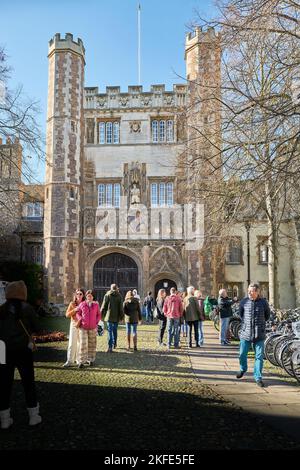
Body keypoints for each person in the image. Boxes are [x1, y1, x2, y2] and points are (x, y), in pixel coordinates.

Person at [0, 280, 42, 429]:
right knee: (28, 382)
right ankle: (33, 416)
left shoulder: (2, 309)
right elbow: (37, 327)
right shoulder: (27, 308)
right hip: (23, 350)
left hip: (3, 350)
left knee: (4, 384)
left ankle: (4, 419)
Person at [236, 283, 270, 387]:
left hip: (259, 334)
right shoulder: (244, 302)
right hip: (246, 333)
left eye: (252, 291)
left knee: (259, 356)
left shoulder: (264, 302)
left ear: (257, 292)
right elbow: (241, 315)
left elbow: (267, 316)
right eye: (249, 291)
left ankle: (258, 377)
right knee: (242, 354)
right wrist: (246, 325)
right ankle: (243, 368)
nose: (249, 293)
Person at [75, 290, 101, 368]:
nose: (89, 297)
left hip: (93, 328)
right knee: (83, 344)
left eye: (91, 296)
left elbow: (99, 315)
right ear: (86, 296)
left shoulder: (96, 305)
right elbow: (77, 313)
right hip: (83, 328)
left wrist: (96, 322)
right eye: (88, 296)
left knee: (92, 344)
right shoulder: (82, 304)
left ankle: (91, 359)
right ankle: (81, 361)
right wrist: (80, 319)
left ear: (93, 297)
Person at [63, 289, 85, 367]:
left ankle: (79, 360)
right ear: (75, 295)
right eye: (77, 294)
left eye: (81, 294)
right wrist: (75, 310)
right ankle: (69, 360)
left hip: (82, 325)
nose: (79, 296)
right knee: (72, 342)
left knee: (80, 343)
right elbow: (67, 315)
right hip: (73, 324)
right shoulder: (72, 304)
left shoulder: (84, 304)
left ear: (83, 295)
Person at [101, 284, 124, 353]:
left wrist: (101, 315)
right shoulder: (119, 296)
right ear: (117, 288)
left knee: (109, 332)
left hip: (109, 316)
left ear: (111, 288)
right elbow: (121, 308)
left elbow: (103, 306)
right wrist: (122, 316)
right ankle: (114, 343)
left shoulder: (107, 295)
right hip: (116, 316)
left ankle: (110, 347)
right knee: (114, 331)